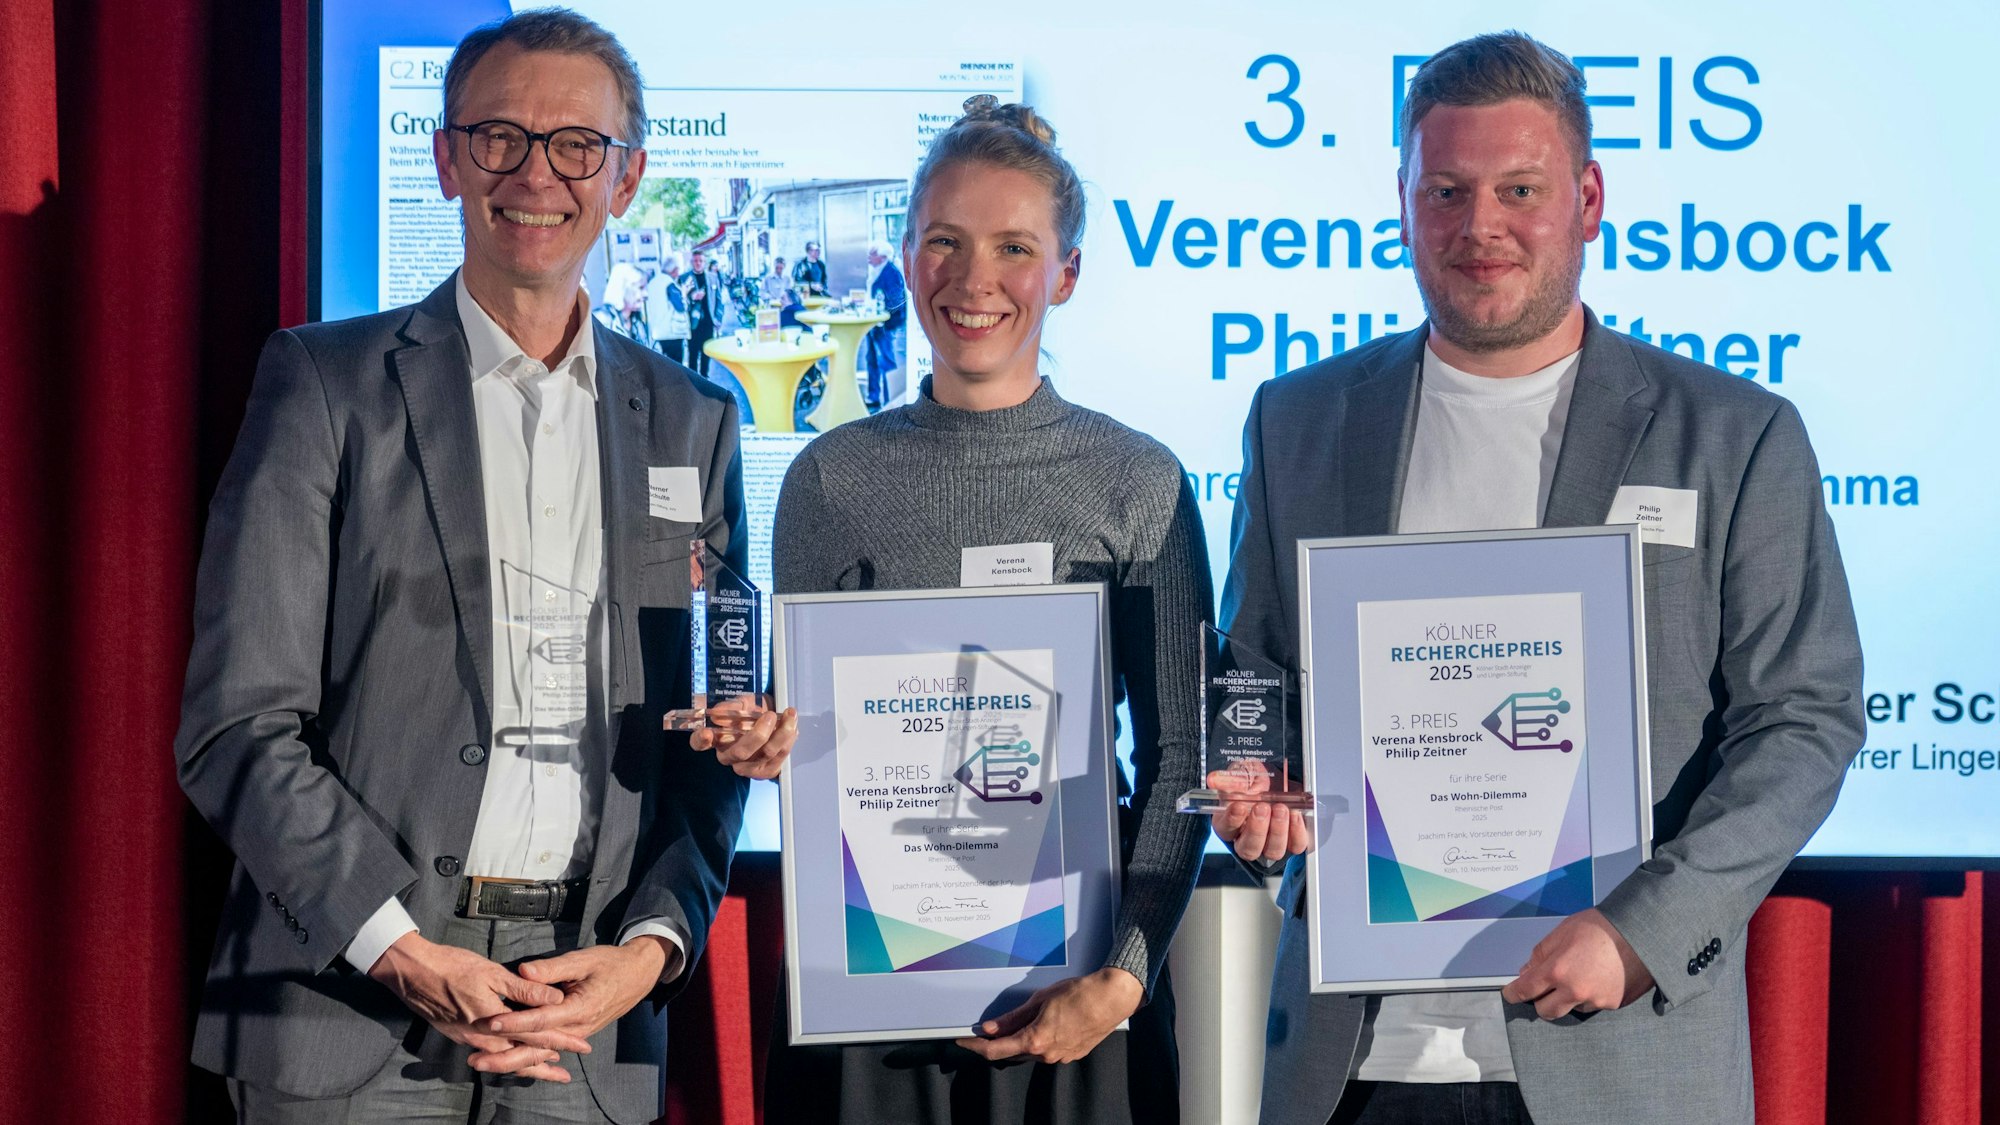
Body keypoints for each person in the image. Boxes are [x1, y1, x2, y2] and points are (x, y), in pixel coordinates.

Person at [1213, 32, 1863, 1125]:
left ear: (1587, 197)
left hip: (1615, 1054)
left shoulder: (1732, 435)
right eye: (1446, 190)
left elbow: (1804, 720)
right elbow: (1252, 668)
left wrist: (1643, 933)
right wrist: (1249, 778)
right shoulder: (1300, 419)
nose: (1480, 227)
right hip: (1353, 1064)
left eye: (1519, 188)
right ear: (1404, 199)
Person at [173, 10, 794, 1122]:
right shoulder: (323, 385)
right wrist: (399, 947)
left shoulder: (693, 422)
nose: (535, 174)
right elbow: (237, 725)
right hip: (350, 999)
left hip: (586, 1010)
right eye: (499, 136)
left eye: (576, 145)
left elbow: (708, 743)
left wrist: (650, 951)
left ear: (628, 175)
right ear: (446, 158)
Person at [763, 95, 1211, 1124]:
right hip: (870, 1000)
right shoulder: (830, 480)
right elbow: (802, 746)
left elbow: (1181, 761)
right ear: (907, 255)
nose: (974, 280)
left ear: (1065, 273)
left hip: (1078, 996)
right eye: (944, 243)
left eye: (1013, 247)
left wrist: (1125, 971)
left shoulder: (1137, 481)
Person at [862, 238, 906, 407]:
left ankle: (891, 398)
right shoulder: (875, 271)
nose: (869, 256)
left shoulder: (892, 273)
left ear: (882, 257)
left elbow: (896, 301)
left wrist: (880, 313)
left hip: (885, 325)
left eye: (873, 253)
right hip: (874, 323)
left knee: (886, 360)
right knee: (871, 358)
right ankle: (873, 396)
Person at [645, 252, 691, 363]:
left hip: (656, 332)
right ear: (674, 270)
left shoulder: (652, 282)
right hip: (671, 333)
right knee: (675, 366)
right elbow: (680, 307)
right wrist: (684, 294)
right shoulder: (670, 284)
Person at [683, 247, 721, 375]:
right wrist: (691, 298)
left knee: (706, 352)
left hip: (708, 322)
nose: (698, 263)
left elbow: (719, 300)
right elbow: (680, 301)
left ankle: (705, 377)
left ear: (704, 262)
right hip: (692, 323)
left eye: (700, 261)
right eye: (695, 261)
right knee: (692, 352)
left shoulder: (713, 277)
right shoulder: (684, 278)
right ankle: (694, 380)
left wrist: (718, 318)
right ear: (691, 262)